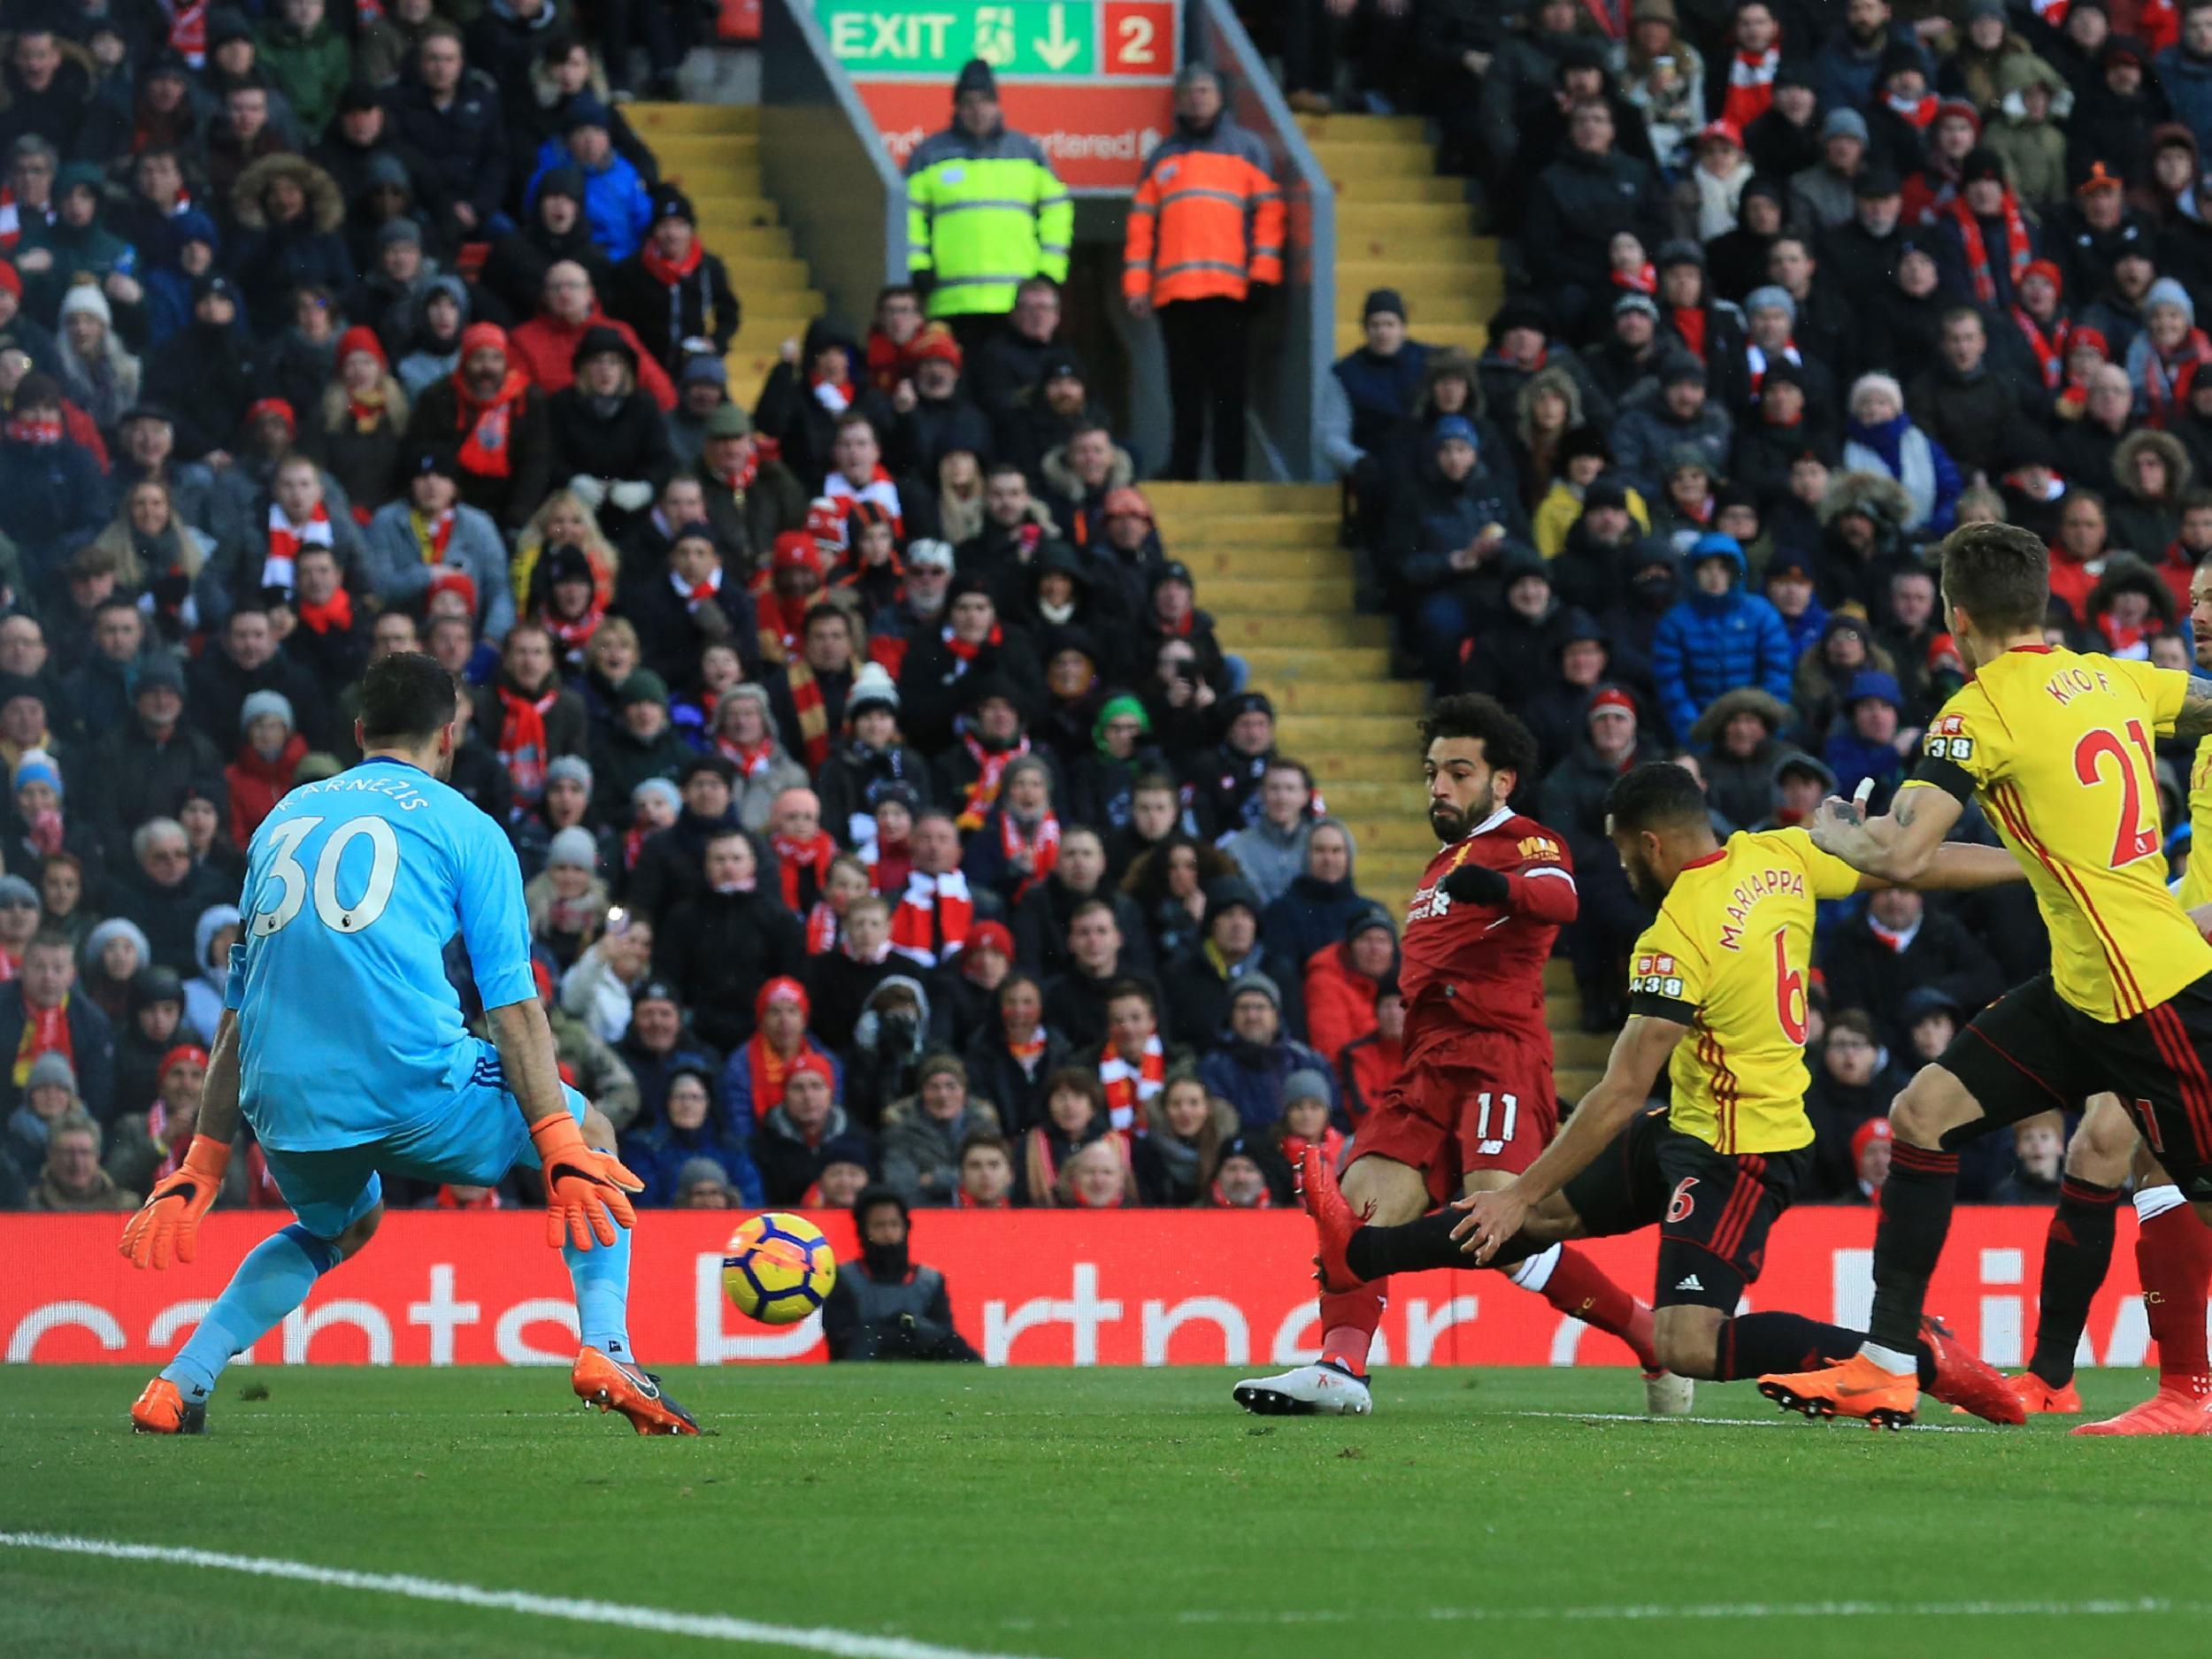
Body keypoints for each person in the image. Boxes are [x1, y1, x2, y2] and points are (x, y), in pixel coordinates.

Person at [1309, 762, 2024, 1422]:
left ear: (1650, 844)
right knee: (1530, 1222)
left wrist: (1517, 1189)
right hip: (1685, 1121)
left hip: (1742, 1151)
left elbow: (1621, 1089)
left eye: (1623, 855)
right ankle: (1362, 1253)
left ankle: (1914, 1355)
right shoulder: (1782, 854)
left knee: (1686, 1339)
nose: (1623, 870)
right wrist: (2035, 863)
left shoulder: (1675, 933)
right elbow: (1915, 867)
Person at [119, 653, 696, 1437]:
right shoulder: (467, 826)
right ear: (448, 738)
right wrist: (556, 1142)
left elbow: (235, 1014)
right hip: (413, 1084)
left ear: (359, 733)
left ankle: (179, 1380)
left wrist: (201, 1163)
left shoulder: (282, 819)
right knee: (592, 1133)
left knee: (342, 1225)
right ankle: (609, 1347)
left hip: (283, 1098)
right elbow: (515, 1011)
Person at [1764, 522, 2212, 1430]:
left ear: (1952, 614)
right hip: (2087, 991)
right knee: (1921, 1115)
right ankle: (1887, 1363)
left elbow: (1904, 856)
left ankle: (2182, 1390)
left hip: (2153, 994)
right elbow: (2201, 702)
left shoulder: (1978, 713)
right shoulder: (2112, 676)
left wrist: (1838, 835)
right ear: (2040, 603)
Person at [1231, 695, 1666, 1418]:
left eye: (1459, 772)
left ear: (1501, 782)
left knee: (1497, 1228)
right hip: (1426, 1063)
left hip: (1498, 1055)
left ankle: (1647, 1332)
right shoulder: (1439, 865)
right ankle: (1341, 1366)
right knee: (1353, 1208)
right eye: (1433, 771)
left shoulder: (1526, 840)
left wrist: (1501, 887)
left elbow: (1561, 898)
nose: (1439, 786)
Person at [1122, 65, 1283, 483]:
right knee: (1184, 393)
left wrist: (1263, 275)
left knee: (1229, 391)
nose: (1197, 98)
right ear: (1177, 100)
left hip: (1230, 294)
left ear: (1221, 97)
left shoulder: (1247, 148)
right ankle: (1184, 470)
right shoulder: (1162, 156)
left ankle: (1231, 474)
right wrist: (1136, 287)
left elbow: (1269, 214)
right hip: (1175, 297)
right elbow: (1142, 226)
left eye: (1205, 90)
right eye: (1190, 91)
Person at [903, 59, 1071, 345]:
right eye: (968, 102)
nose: (977, 110)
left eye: (984, 101)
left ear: (997, 104)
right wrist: (918, 267)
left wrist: (1049, 272)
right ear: (957, 107)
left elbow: (1057, 210)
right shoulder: (929, 154)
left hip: (1016, 303)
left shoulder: (1027, 153)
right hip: (950, 302)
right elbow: (908, 216)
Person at [821, 1186, 979, 1361]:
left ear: (906, 1228)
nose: (888, 1234)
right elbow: (840, 1342)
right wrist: (900, 1329)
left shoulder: (930, 1281)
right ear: (863, 1231)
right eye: (879, 1226)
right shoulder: (844, 1279)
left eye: (894, 1224)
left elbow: (944, 1337)